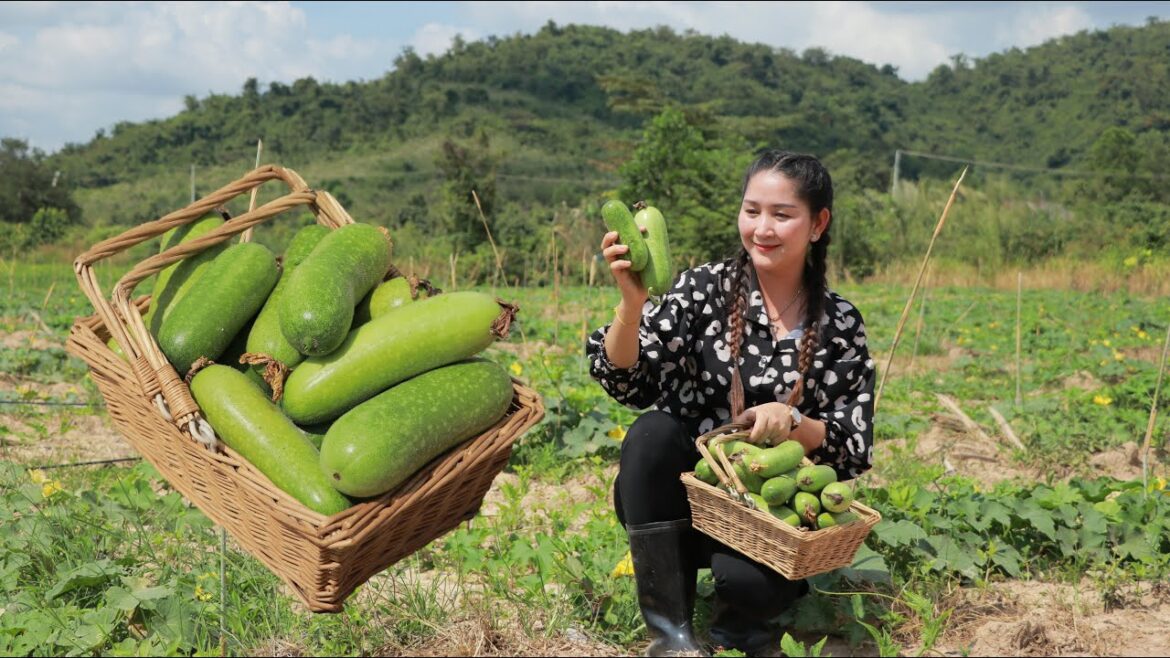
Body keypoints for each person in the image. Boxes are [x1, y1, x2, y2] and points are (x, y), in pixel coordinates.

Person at [585, 149, 875, 656]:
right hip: (684, 501)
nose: (762, 227)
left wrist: (794, 422)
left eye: (782, 215)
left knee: (752, 588)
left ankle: (741, 627)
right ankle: (670, 634)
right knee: (651, 433)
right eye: (752, 210)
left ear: (817, 223)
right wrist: (631, 306)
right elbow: (627, 379)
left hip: (772, 513)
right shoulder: (704, 289)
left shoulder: (840, 323)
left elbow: (850, 445)